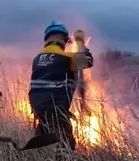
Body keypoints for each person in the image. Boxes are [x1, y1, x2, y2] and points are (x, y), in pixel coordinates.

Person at [27, 22, 93, 151]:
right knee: (66, 141)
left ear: (46, 39)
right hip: (56, 108)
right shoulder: (67, 58)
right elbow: (89, 61)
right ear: (64, 40)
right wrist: (80, 43)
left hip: (37, 108)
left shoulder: (37, 59)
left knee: (43, 136)